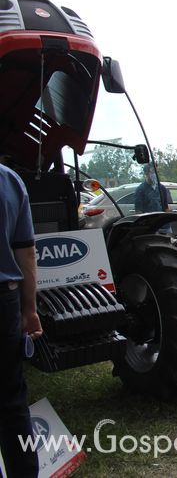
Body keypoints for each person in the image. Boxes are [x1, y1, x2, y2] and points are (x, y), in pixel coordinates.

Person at [0, 163, 43, 477]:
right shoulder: (10, 179)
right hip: (5, 300)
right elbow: (26, 253)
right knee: (11, 401)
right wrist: (30, 309)